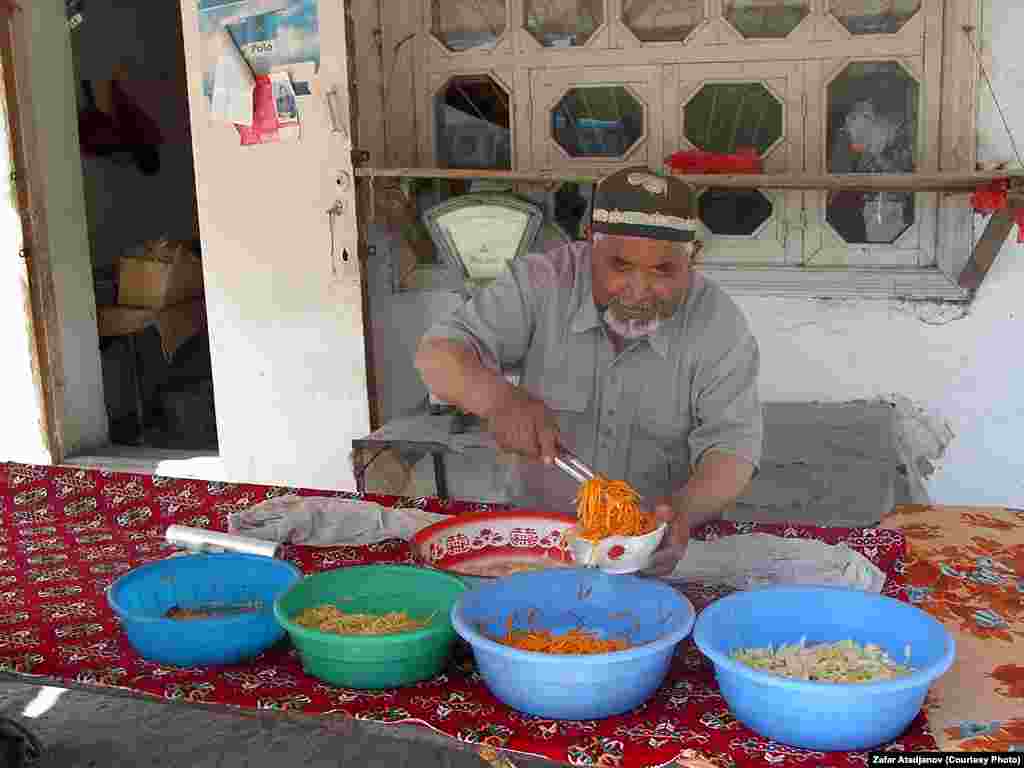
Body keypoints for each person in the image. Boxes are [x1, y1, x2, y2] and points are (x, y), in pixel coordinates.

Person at [415, 167, 762, 576]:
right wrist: (498, 400)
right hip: (540, 542)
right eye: (620, 265)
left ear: (693, 258)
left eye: (663, 271)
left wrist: (682, 514)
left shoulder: (718, 323)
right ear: (588, 248)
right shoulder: (541, 282)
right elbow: (438, 354)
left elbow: (733, 447)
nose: (638, 291)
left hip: (650, 550)